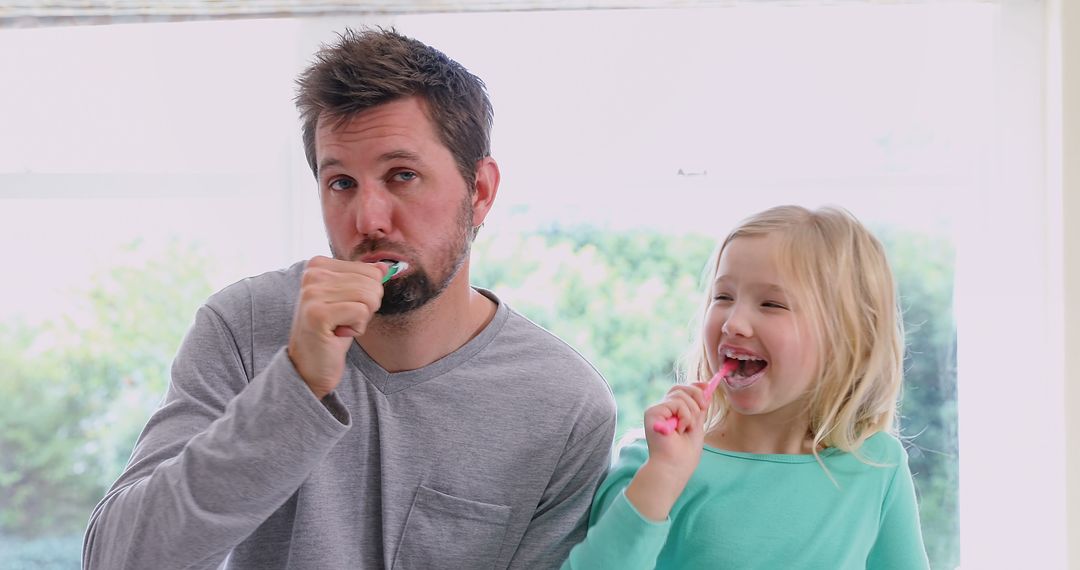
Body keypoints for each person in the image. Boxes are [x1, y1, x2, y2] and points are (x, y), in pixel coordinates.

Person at [83, 27, 616, 569]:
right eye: (341, 183)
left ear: (479, 192)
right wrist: (294, 387)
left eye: (402, 175)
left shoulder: (566, 406)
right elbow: (115, 560)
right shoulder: (243, 327)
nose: (368, 220)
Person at [562, 205, 930, 569]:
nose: (733, 323)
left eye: (771, 304)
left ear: (847, 337)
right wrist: (664, 476)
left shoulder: (877, 463)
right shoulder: (651, 464)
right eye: (723, 297)